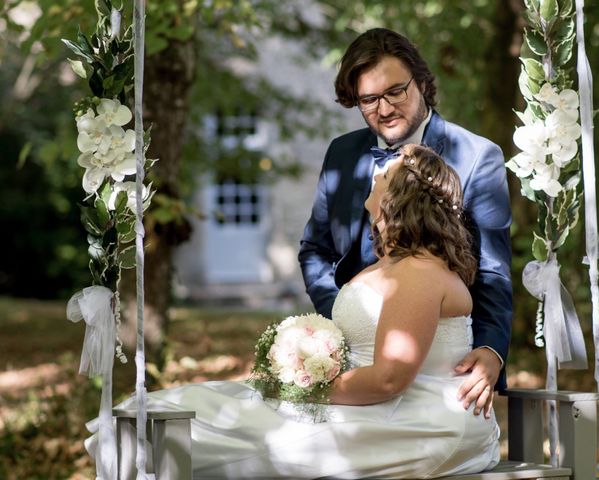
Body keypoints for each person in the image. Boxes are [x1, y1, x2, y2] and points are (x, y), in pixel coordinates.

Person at [97, 145, 500, 478]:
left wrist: (298, 390)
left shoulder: (417, 272)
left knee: (182, 427)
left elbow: (389, 379)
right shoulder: (394, 264)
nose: (376, 174)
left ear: (401, 194)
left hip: (412, 423)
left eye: (386, 172)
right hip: (366, 408)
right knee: (161, 412)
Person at [298, 28, 512, 414]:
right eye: (368, 100)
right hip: (352, 365)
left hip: (438, 375)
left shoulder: (478, 156)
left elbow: (493, 270)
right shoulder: (341, 153)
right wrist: (344, 321)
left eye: (396, 91)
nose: (383, 109)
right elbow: (315, 250)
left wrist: (491, 349)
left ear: (422, 83)